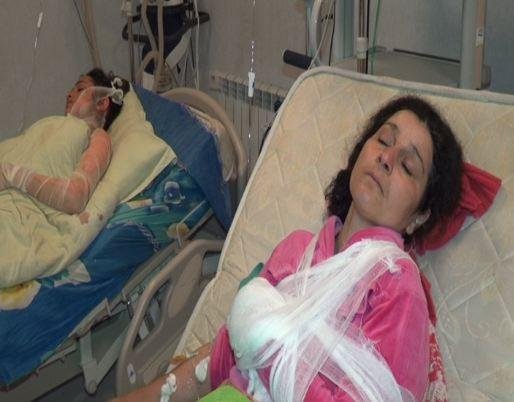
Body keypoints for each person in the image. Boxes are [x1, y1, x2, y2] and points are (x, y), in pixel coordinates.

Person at [112, 95, 463, 402]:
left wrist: (271, 346)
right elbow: (227, 356)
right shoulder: (296, 250)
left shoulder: (398, 287)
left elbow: (255, 340)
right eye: (383, 140)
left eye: (407, 166)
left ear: (419, 216)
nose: (387, 157)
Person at [0, 68, 129, 214]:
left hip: (18, 212)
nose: (69, 95)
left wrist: (13, 175)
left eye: (80, 89)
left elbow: (74, 198)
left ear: (101, 102)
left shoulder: (97, 135)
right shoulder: (49, 125)